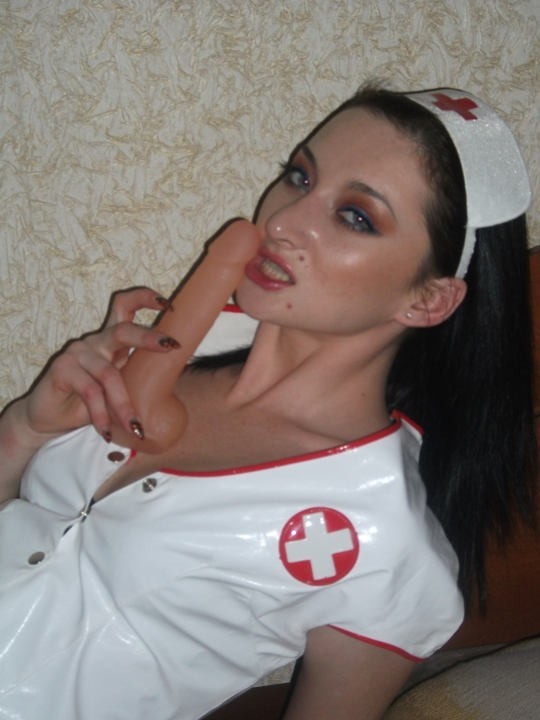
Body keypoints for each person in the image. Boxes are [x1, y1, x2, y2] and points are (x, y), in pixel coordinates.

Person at [0, 85, 536, 720]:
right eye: (299, 176)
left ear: (428, 299)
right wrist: (25, 429)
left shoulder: (384, 542)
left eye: (355, 216)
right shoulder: (153, 358)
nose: (281, 222)